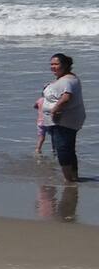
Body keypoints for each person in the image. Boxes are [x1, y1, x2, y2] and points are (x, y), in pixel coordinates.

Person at [40, 53, 85, 183]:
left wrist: (55, 110)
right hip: (60, 121)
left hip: (63, 121)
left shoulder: (67, 80)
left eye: (56, 64)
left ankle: (68, 179)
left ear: (65, 65)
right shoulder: (66, 78)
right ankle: (74, 176)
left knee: (63, 149)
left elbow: (66, 98)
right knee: (68, 148)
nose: (53, 67)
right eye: (51, 64)